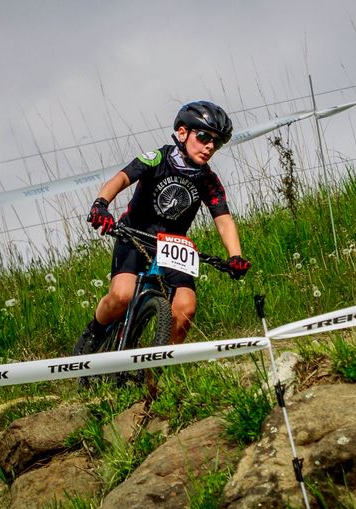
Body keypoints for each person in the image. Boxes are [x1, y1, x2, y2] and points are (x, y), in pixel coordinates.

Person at [78, 100, 251, 351]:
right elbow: (122, 178)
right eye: (204, 137)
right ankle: (94, 330)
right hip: (135, 234)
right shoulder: (157, 158)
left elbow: (223, 219)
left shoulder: (208, 180)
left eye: (217, 142)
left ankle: (154, 378)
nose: (210, 146)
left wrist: (235, 255)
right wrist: (100, 205)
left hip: (173, 245)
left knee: (186, 308)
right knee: (121, 296)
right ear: (182, 132)